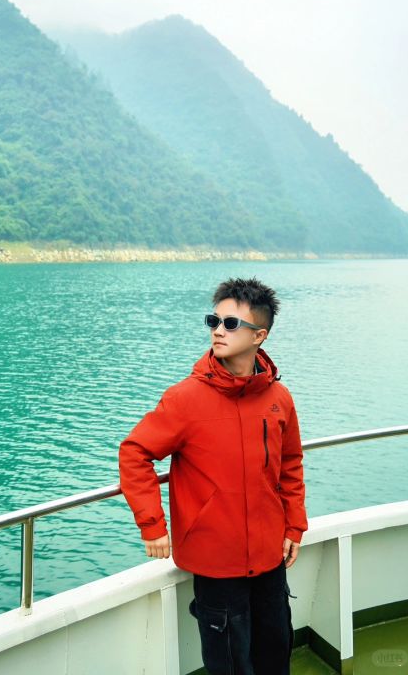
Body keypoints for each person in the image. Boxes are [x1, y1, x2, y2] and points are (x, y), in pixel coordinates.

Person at [119, 277, 307, 675]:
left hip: (269, 555)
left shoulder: (279, 398)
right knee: (229, 663)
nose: (218, 331)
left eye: (231, 323)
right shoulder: (185, 399)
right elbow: (135, 453)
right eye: (214, 320)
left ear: (260, 335)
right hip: (214, 562)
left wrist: (294, 525)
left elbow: (290, 465)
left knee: (276, 651)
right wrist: (153, 526)